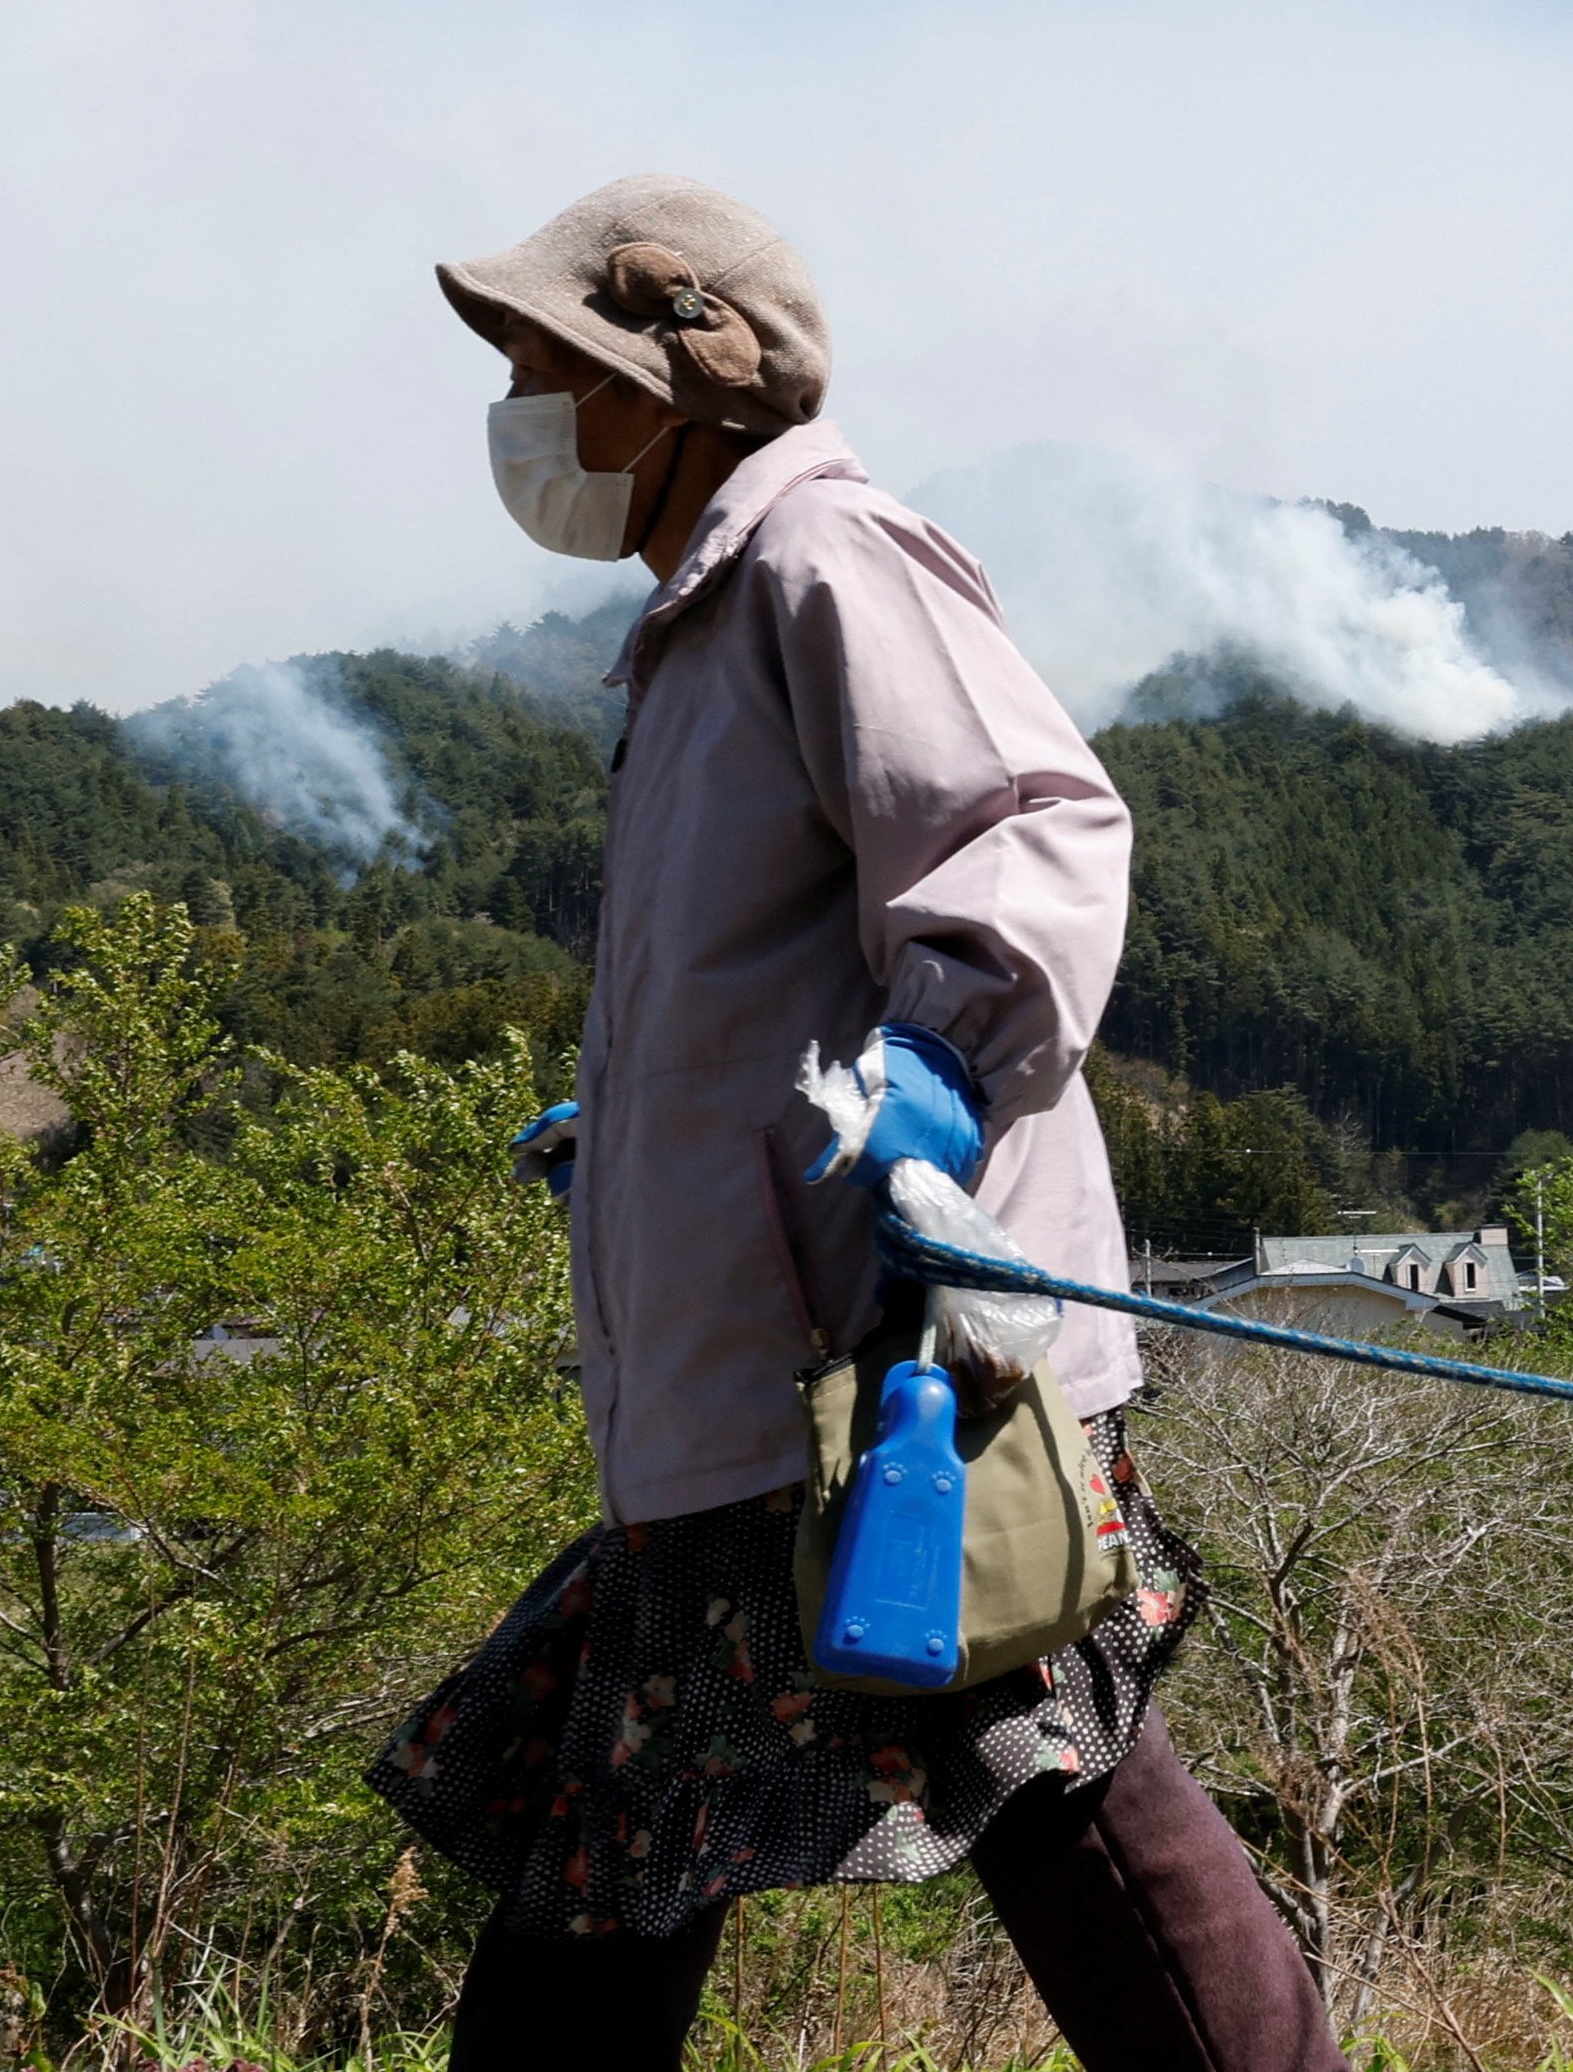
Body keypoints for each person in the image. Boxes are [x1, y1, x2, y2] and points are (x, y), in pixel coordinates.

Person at [367, 176, 1335, 2072]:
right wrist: (640, 1135)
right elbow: (764, 970)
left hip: (876, 1380)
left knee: (1050, 1799)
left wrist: (941, 1074)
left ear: (680, 380)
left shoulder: (824, 553)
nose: (523, 413)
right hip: (750, 1385)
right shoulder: (703, 615)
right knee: (632, 1861)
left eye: (550, 368)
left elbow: (1030, 828)